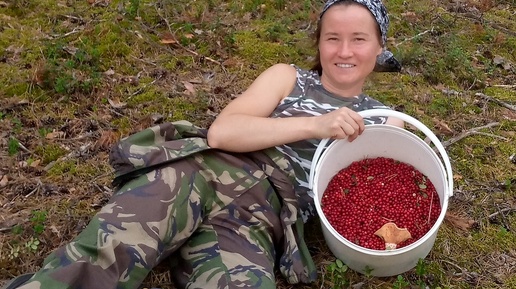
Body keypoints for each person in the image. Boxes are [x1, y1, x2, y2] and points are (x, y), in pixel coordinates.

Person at [3, 0, 403, 288]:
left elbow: (372, 202)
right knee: (104, 255)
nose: (344, 51)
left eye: (359, 39)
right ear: (319, 43)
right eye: (333, 38)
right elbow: (223, 132)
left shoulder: (382, 119)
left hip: (260, 220)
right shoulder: (288, 78)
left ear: (380, 46)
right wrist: (316, 124)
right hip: (203, 173)